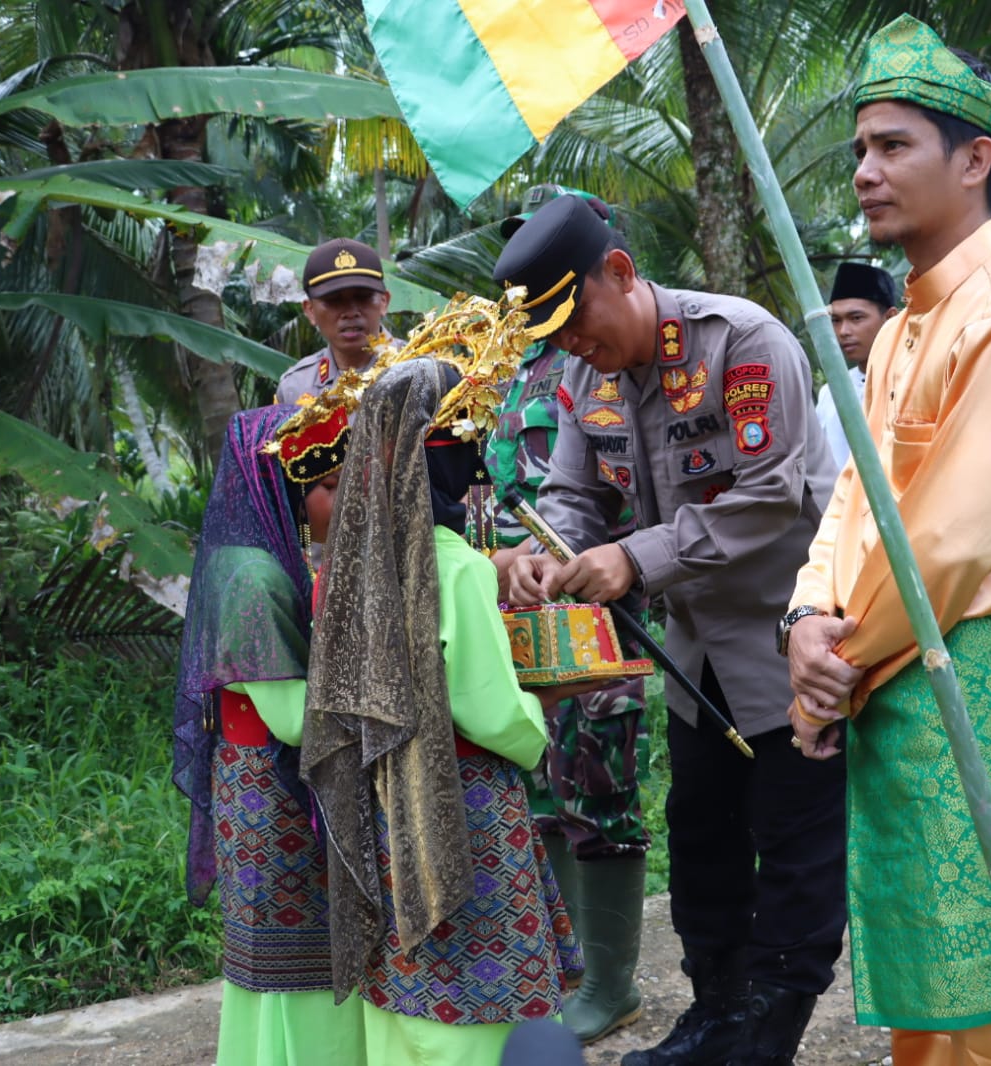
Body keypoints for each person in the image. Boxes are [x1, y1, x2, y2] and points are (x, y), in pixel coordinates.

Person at [784, 17, 991, 1062]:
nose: (866, 172)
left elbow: (953, 539)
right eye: (861, 149)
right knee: (927, 965)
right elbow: (855, 501)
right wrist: (805, 618)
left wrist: (838, 660)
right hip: (892, 663)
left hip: (972, 665)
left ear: (975, 161)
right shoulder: (907, 323)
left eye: (893, 147)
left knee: (987, 984)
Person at [496, 193, 845, 1066]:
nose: (569, 346)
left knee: (793, 842)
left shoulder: (742, 342)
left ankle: (767, 1032)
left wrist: (635, 559)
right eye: (553, 336)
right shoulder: (586, 374)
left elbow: (772, 492)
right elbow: (573, 496)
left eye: (575, 319)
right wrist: (548, 553)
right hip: (691, 650)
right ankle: (717, 1012)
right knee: (700, 838)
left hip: (785, 639)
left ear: (619, 273)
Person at [270, 356, 587, 1066]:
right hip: (461, 805)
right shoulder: (457, 565)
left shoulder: (340, 568)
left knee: (400, 983)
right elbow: (486, 712)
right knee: (478, 991)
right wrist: (539, 711)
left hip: (376, 803)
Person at [487, 187, 652, 1044]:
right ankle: (564, 970)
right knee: (542, 788)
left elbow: (627, 491)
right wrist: (501, 562)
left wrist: (595, 566)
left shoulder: (609, 361)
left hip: (602, 606)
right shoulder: (514, 372)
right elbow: (494, 491)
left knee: (602, 783)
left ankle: (613, 982)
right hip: (525, 608)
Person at [172, 403, 362, 1066]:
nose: (340, 500)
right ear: (283, 484)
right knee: (296, 967)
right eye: (330, 486)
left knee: (268, 968)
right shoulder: (254, 577)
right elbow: (289, 717)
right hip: (273, 790)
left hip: (253, 787)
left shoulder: (244, 558)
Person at [276, 238, 397, 405]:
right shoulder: (295, 387)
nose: (350, 312)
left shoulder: (424, 370)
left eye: (362, 297)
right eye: (333, 300)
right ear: (310, 310)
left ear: (384, 302)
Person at [814, 262, 898, 467]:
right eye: (836, 320)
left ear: (890, 318)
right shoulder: (830, 393)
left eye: (856, 318)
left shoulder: (913, 380)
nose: (843, 331)